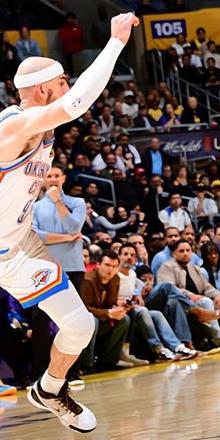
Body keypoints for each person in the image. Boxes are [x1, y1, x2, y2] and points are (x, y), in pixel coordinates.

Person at [0, 12, 138, 432]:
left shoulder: (39, 129)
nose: (68, 90)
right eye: (63, 83)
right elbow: (77, 102)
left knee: (80, 326)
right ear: (42, 89)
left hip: (21, 241)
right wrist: (116, 42)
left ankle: (49, 389)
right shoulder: (15, 126)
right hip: (5, 252)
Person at [32, 164, 86, 382]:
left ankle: (72, 372)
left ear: (63, 178)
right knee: (40, 321)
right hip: (45, 269)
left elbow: (74, 227)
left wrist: (58, 202)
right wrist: (66, 238)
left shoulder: (77, 203)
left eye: (56, 175)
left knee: (75, 321)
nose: (53, 179)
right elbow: (36, 235)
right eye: (49, 175)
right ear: (43, 179)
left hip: (73, 267)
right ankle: (39, 373)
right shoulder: (35, 207)